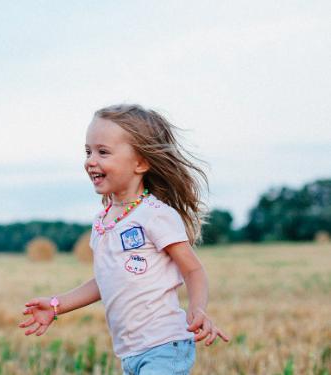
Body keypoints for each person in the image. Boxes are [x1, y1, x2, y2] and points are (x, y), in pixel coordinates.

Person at [18, 104, 230, 374]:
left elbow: (193, 269)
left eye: (103, 152)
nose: (90, 160)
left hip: (165, 346)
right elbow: (106, 279)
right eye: (88, 151)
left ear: (140, 162)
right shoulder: (102, 222)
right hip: (130, 353)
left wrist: (198, 308)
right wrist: (58, 304)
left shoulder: (156, 216)